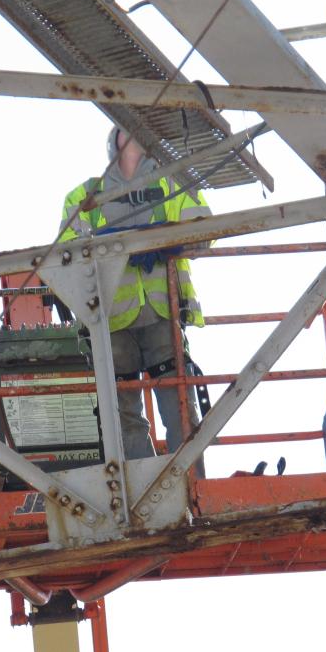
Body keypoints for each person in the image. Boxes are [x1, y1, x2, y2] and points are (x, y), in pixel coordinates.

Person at [58, 128, 211, 461]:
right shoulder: (85, 195)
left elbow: (203, 229)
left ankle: (189, 483)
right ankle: (142, 488)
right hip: (112, 318)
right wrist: (112, 243)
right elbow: (67, 253)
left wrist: (161, 239)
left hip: (162, 312)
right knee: (124, 414)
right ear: (112, 141)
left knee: (180, 407)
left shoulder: (174, 183)